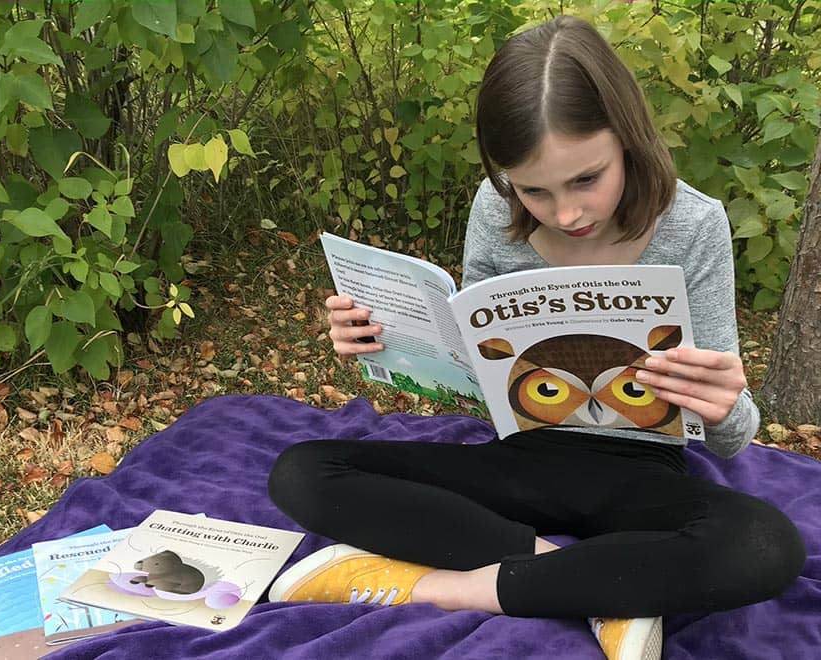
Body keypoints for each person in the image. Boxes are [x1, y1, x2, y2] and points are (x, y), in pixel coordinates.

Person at [266, 15, 805, 660]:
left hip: (643, 475)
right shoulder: (495, 210)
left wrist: (724, 404)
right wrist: (391, 343)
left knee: (767, 545)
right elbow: (477, 370)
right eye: (534, 190)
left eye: (586, 179)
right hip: (519, 457)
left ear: (629, 139)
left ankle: (450, 586)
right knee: (304, 471)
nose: (567, 213)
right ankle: (589, 583)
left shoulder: (694, 224)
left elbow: (732, 434)